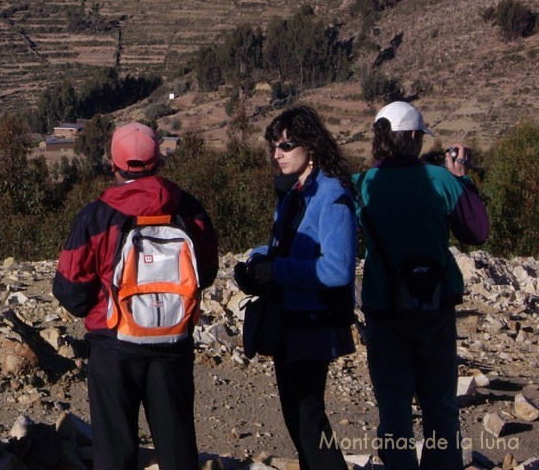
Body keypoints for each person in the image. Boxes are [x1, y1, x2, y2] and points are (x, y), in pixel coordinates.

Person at [53, 121, 219, 470]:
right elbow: (205, 273)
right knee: (177, 449)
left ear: (113, 164)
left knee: (114, 451)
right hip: (173, 342)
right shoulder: (188, 209)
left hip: (114, 344)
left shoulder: (97, 215)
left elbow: (70, 290)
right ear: (158, 161)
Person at [355, 101, 489, 470]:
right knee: (440, 403)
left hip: (384, 305)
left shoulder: (363, 184)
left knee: (393, 405)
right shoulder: (442, 180)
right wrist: (460, 175)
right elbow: (477, 232)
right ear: (415, 137)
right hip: (435, 304)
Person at [234, 105, 357, 470]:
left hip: (314, 323)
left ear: (311, 147)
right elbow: (285, 245)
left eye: (286, 146)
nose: (277, 154)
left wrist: (278, 272)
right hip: (292, 320)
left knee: (309, 421)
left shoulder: (332, 196)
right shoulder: (295, 193)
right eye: (275, 145)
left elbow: (337, 269)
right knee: (297, 420)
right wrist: (256, 261)